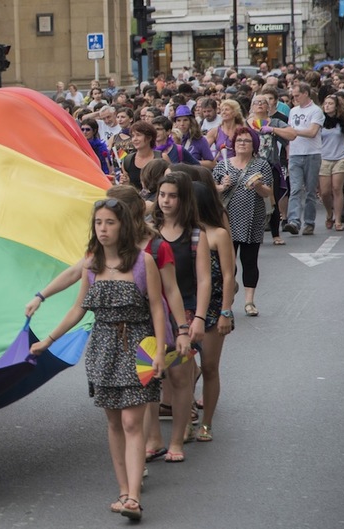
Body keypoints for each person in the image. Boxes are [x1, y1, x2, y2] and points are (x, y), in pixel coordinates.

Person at [30, 198, 166, 521]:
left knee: (133, 422)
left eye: (110, 223)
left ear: (124, 227)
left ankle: (133, 496)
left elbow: (157, 307)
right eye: (99, 223)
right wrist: (48, 340)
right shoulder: (91, 265)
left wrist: (161, 349)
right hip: (103, 349)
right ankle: (122, 490)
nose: (103, 229)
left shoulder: (142, 263)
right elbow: (79, 309)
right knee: (114, 422)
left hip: (138, 346)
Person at [151, 172, 210, 463]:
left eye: (172, 196)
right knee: (148, 375)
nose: (166, 201)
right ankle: (153, 439)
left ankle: (178, 437)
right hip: (150, 312)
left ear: (183, 198)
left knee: (179, 376)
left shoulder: (196, 234)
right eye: (162, 195)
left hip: (183, 311)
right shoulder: (148, 230)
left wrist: (198, 318)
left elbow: (203, 280)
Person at [190, 182, 235, 442]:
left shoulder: (218, 234)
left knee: (208, 366)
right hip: (186, 308)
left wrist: (226, 312)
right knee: (181, 369)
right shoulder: (183, 233)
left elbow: (229, 276)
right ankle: (184, 419)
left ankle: (206, 422)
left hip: (215, 307)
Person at [212, 127, 273, 317]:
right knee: (227, 263)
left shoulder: (261, 165)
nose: (242, 144)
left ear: (253, 144)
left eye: (247, 141)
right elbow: (211, 191)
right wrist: (223, 186)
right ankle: (227, 299)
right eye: (239, 140)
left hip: (252, 219)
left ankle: (249, 302)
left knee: (249, 261)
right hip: (226, 220)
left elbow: (268, 193)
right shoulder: (223, 165)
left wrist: (258, 186)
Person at [268, 82, 324, 236]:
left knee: (310, 190)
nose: (295, 98)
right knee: (295, 189)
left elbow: (312, 132)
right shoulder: (293, 111)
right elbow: (289, 132)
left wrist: (293, 132)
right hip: (295, 153)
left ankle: (309, 223)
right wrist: (288, 144)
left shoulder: (316, 111)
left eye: (297, 95)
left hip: (312, 153)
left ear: (306, 93)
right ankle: (294, 221)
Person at [248, 96, 289, 245]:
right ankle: (251, 235)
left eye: (263, 102)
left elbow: (292, 134)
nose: (259, 105)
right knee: (249, 200)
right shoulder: (246, 124)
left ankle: (275, 234)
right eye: (256, 102)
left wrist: (273, 130)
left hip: (271, 166)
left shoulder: (275, 122)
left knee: (272, 200)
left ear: (268, 107)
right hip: (250, 166)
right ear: (252, 107)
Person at [317, 94, 344, 232]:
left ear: (336, 106)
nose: (327, 106)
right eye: (325, 103)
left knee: (337, 188)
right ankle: (329, 213)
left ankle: (338, 220)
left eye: (330, 103)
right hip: (323, 158)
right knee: (325, 192)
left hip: (340, 157)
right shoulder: (319, 120)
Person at [121, 122, 168, 190]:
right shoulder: (127, 160)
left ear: (149, 138)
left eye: (138, 135)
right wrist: (125, 183)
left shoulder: (162, 157)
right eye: (133, 136)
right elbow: (126, 187)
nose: (135, 139)